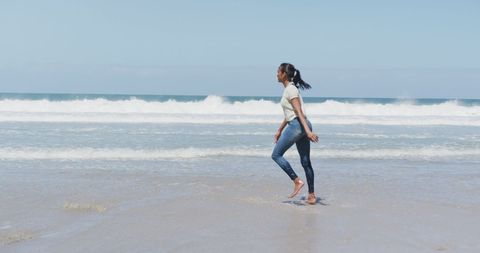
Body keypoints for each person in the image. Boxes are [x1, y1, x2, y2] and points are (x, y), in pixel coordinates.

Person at [271, 63, 319, 205]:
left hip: (298, 125)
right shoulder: (290, 89)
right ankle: (311, 195)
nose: (276, 74)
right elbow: (290, 114)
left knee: (276, 155)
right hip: (300, 124)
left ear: (284, 74)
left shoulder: (290, 90)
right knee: (305, 162)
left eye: (278, 72)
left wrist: (308, 131)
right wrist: (280, 130)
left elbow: (298, 112)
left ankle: (297, 181)